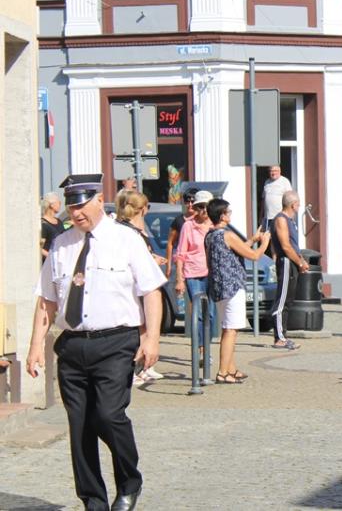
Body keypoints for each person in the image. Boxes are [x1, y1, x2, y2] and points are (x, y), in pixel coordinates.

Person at [27, 173, 166, 511]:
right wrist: (34, 347)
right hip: (73, 346)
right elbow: (47, 300)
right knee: (80, 428)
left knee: (108, 415)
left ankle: (130, 482)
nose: (76, 214)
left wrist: (151, 339)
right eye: (71, 207)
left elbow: (151, 291)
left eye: (81, 206)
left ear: (97, 201)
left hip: (116, 343)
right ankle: (93, 500)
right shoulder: (61, 245)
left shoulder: (126, 240)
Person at [205, 199, 271, 384]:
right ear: (223, 215)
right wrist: (264, 243)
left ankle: (231, 368)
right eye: (229, 212)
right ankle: (223, 372)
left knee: (229, 327)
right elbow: (254, 256)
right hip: (232, 286)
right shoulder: (227, 235)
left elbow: (237, 250)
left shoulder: (210, 235)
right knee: (231, 330)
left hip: (218, 286)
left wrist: (252, 239)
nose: (230, 214)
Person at [115, 190, 168, 385]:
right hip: (133, 288)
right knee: (140, 327)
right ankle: (136, 369)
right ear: (143, 209)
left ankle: (144, 366)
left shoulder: (133, 230)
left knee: (144, 327)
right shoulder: (129, 231)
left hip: (137, 284)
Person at [174, 190, 217, 357]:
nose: (204, 211)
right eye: (200, 207)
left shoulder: (215, 225)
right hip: (193, 273)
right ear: (195, 208)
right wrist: (180, 279)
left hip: (212, 273)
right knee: (198, 312)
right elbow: (181, 253)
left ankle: (207, 344)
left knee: (211, 313)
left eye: (207, 207)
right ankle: (201, 349)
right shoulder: (188, 226)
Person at [270, 191, 308, 350]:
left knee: (289, 299)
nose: (299, 206)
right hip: (286, 262)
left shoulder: (290, 221)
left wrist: (301, 259)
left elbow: (292, 245)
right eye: (298, 204)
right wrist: (299, 262)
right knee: (282, 300)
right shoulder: (281, 219)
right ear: (293, 204)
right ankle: (279, 338)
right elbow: (285, 246)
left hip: (292, 261)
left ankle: (283, 335)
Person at [165, 190, 196, 277]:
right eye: (187, 201)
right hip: (183, 264)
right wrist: (168, 265)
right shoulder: (179, 221)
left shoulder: (204, 220)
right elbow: (170, 243)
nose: (190, 205)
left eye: (193, 202)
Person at [41, 192, 65, 261]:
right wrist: (51, 256)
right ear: (51, 205)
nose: (60, 204)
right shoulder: (43, 224)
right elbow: (39, 248)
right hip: (48, 263)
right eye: (59, 203)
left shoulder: (59, 221)